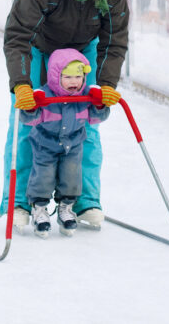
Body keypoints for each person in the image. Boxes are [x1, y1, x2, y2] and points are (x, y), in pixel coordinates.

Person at [0, 0, 129, 229]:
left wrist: (106, 85)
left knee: (87, 122)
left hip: (84, 50)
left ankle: (84, 202)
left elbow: (114, 41)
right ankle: (18, 203)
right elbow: (17, 35)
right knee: (26, 122)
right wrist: (21, 84)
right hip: (38, 47)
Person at [19, 48, 111, 238]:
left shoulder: (85, 96)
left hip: (73, 145)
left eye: (78, 77)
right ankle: (40, 209)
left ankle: (66, 209)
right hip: (45, 145)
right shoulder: (46, 96)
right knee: (43, 178)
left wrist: (100, 104)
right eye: (68, 77)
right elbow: (29, 120)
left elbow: (96, 117)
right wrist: (30, 107)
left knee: (71, 177)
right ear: (55, 76)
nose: (74, 82)